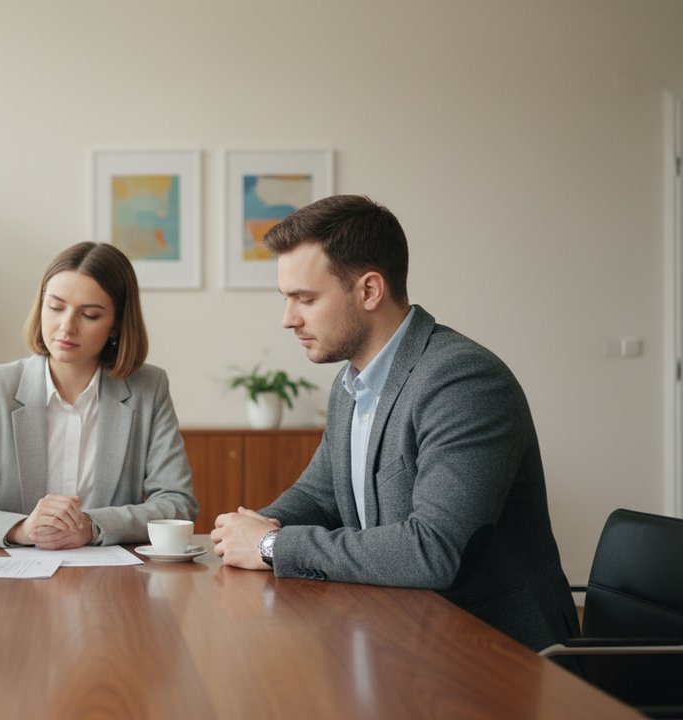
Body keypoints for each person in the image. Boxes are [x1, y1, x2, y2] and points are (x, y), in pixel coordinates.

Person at [210, 195, 579, 652]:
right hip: (403, 631)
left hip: (492, 651)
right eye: (287, 299)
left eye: (305, 299)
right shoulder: (354, 381)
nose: (288, 320)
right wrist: (256, 526)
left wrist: (272, 547)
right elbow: (318, 495)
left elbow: (435, 549)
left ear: (368, 290)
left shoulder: (462, 380)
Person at [0, 242, 197, 549]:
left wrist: (92, 526)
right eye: (55, 307)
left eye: (90, 315)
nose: (67, 327)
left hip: (113, 580)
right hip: (9, 579)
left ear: (116, 326)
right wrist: (21, 528)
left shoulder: (148, 388)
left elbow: (177, 504)